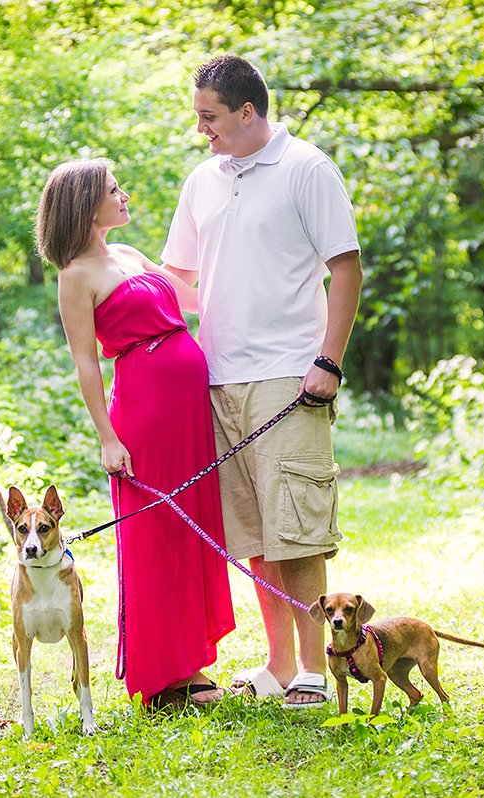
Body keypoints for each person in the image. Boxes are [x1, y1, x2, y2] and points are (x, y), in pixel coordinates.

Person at [161, 55, 363, 707]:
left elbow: (346, 269)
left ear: (248, 113)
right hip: (218, 379)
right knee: (252, 533)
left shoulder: (307, 168)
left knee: (297, 528)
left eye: (210, 117)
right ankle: (277, 666)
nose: (203, 131)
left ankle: (314, 668)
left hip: (291, 377)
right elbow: (180, 281)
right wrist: (110, 269)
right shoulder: (203, 181)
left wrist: (328, 361)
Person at [36, 158, 236, 709]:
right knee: (158, 536)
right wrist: (107, 437)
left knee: (191, 528)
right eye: (113, 190)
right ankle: (165, 677)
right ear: (85, 205)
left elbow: (192, 298)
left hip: (188, 412)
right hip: (144, 417)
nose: (125, 196)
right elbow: (85, 364)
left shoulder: (128, 254)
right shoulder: (75, 276)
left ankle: (191, 664)